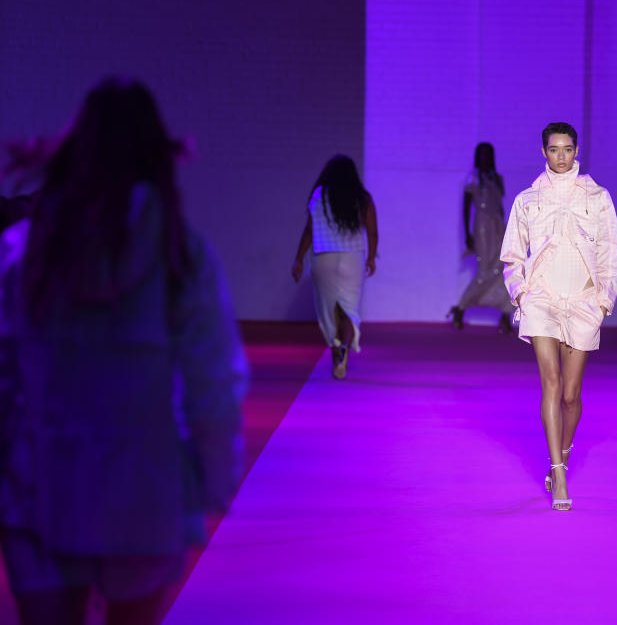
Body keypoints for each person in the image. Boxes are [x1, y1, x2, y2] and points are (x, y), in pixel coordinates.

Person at [0, 78, 247, 624]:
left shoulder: (22, 251)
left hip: (38, 486)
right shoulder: (182, 255)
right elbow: (214, 382)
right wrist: (216, 480)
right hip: (142, 493)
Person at [500, 122, 617, 511]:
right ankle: (559, 472)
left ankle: (563, 458)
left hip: (584, 301)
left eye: (567, 149)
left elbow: (611, 253)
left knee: (572, 395)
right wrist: (522, 293)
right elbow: (512, 255)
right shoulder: (528, 200)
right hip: (541, 300)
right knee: (550, 383)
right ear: (543, 152)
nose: (561, 157)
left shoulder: (598, 197)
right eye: (554, 150)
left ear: (577, 151)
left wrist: (604, 301)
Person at [292, 155, 378, 379]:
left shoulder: (318, 195)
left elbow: (309, 230)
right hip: (352, 258)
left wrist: (298, 259)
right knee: (349, 309)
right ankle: (345, 351)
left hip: (323, 257)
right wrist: (371, 258)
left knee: (328, 311)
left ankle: (336, 348)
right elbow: (372, 230)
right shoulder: (362, 197)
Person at [447, 143, 513, 333]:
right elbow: (466, 207)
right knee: (485, 272)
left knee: (504, 270)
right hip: (482, 226)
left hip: (498, 225)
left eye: (488, 155)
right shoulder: (473, 177)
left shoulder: (498, 179)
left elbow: (500, 207)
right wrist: (468, 234)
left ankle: (505, 315)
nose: (484, 158)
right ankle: (461, 307)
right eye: (481, 155)